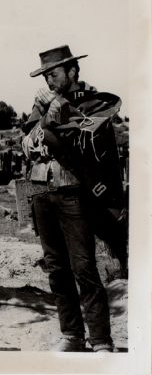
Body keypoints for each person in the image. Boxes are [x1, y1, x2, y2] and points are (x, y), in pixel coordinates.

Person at [22, 45, 126, 352]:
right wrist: (32, 137)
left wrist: (58, 110)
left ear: (72, 71)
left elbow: (88, 140)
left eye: (53, 74)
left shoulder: (95, 103)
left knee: (84, 267)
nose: (49, 81)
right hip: (42, 189)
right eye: (46, 77)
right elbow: (27, 139)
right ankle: (71, 335)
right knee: (56, 269)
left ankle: (101, 340)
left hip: (74, 192)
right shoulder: (41, 105)